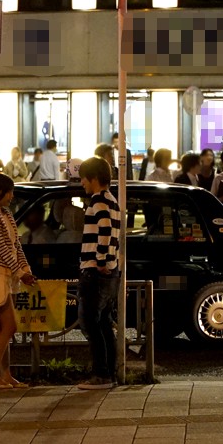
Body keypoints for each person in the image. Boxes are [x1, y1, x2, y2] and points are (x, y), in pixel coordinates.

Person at [0, 174, 37, 389]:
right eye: (9, 192)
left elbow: (16, 246)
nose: (12, 196)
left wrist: (26, 270)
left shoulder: (6, 214)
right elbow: (2, 249)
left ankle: (5, 374)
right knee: (9, 326)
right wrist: (21, 273)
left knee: (3, 328)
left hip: (7, 276)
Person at [77, 157, 121, 390]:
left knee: (90, 323)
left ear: (93, 178)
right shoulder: (112, 201)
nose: (82, 182)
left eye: (83, 178)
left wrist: (101, 259)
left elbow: (104, 230)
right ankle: (109, 373)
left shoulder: (98, 201)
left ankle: (101, 375)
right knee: (103, 323)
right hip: (110, 271)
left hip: (95, 270)